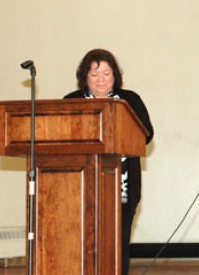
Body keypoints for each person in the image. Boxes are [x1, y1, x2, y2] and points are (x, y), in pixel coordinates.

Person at [64, 49, 154, 275]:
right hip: (81, 188)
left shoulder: (129, 100)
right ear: (85, 77)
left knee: (118, 244)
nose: (101, 80)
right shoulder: (71, 101)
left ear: (115, 75)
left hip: (122, 187)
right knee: (84, 243)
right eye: (94, 75)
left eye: (106, 73)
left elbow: (146, 134)